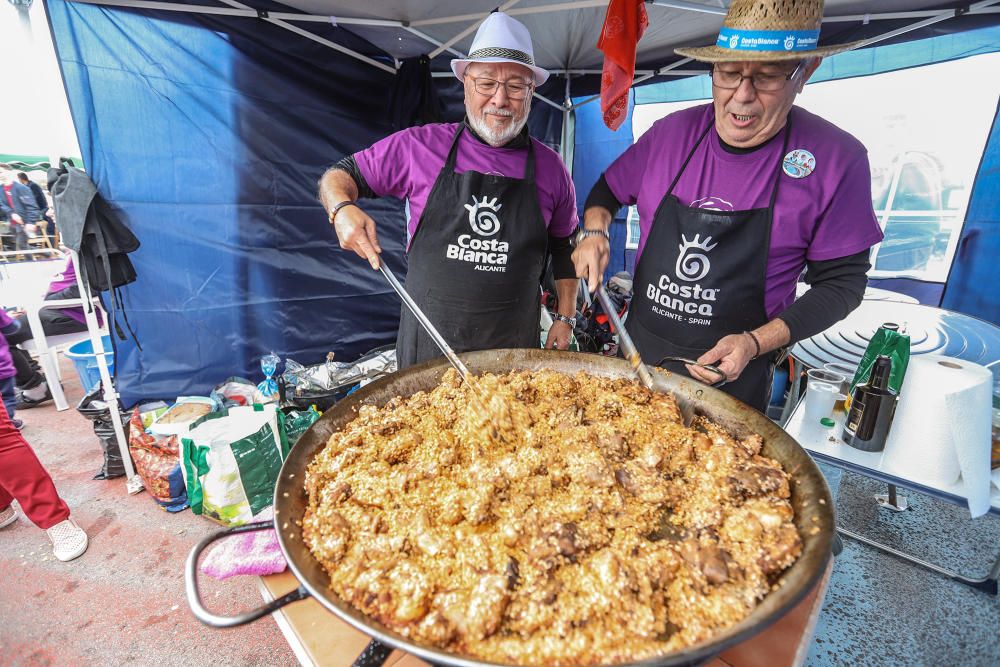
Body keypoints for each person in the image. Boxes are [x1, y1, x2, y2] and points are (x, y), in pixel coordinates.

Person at [573, 0, 883, 412]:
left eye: (767, 77)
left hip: (733, 378)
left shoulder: (835, 159)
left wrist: (755, 342)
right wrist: (594, 232)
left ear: (805, 72)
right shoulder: (670, 134)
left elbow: (843, 284)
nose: (742, 96)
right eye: (729, 72)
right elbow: (607, 191)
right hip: (638, 356)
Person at [318, 12, 580, 368]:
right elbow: (340, 175)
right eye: (486, 83)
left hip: (512, 357)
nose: (500, 100)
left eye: (516, 86)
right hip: (427, 350)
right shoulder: (418, 146)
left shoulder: (552, 169)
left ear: (531, 92)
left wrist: (565, 318)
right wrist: (340, 209)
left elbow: (564, 248)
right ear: (466, 84)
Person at [4, 257, 94, 409]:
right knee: (7, 319)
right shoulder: (78, 244)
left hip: (72, 312)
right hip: (58, 308)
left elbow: (88, 287)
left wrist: (43, 304)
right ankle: (34, 376)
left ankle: (36, 389)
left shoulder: (86, 244)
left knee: (3, 332)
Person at [0, 166, 42, 252]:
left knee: (22, 245)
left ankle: (44, 256)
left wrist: (31, 222)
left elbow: (32, 206)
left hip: (25, 221)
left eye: (1, 172)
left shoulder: (22, 188)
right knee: (21, 245)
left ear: (9, 172)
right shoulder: (1, 189)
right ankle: (46, 254)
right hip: (12, 222)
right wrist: (11, 213)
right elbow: (2, 204)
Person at [18, 172, 54, 236]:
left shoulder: (32, 186)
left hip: (42, 209)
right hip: (38, 209)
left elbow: (33, 200)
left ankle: (33, 237)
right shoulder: (28, 185)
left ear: (21, 179)